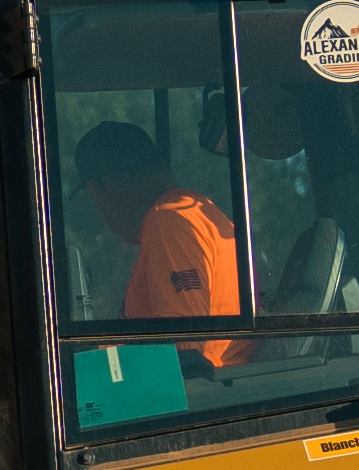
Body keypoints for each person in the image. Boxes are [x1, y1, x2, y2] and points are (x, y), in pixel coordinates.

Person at [67, 121, 241, 370]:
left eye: (92, 197)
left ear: (101, 187)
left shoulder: (169, 220)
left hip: (198, 397)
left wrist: (98, 367)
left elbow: (185, 351)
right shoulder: (198, 212)